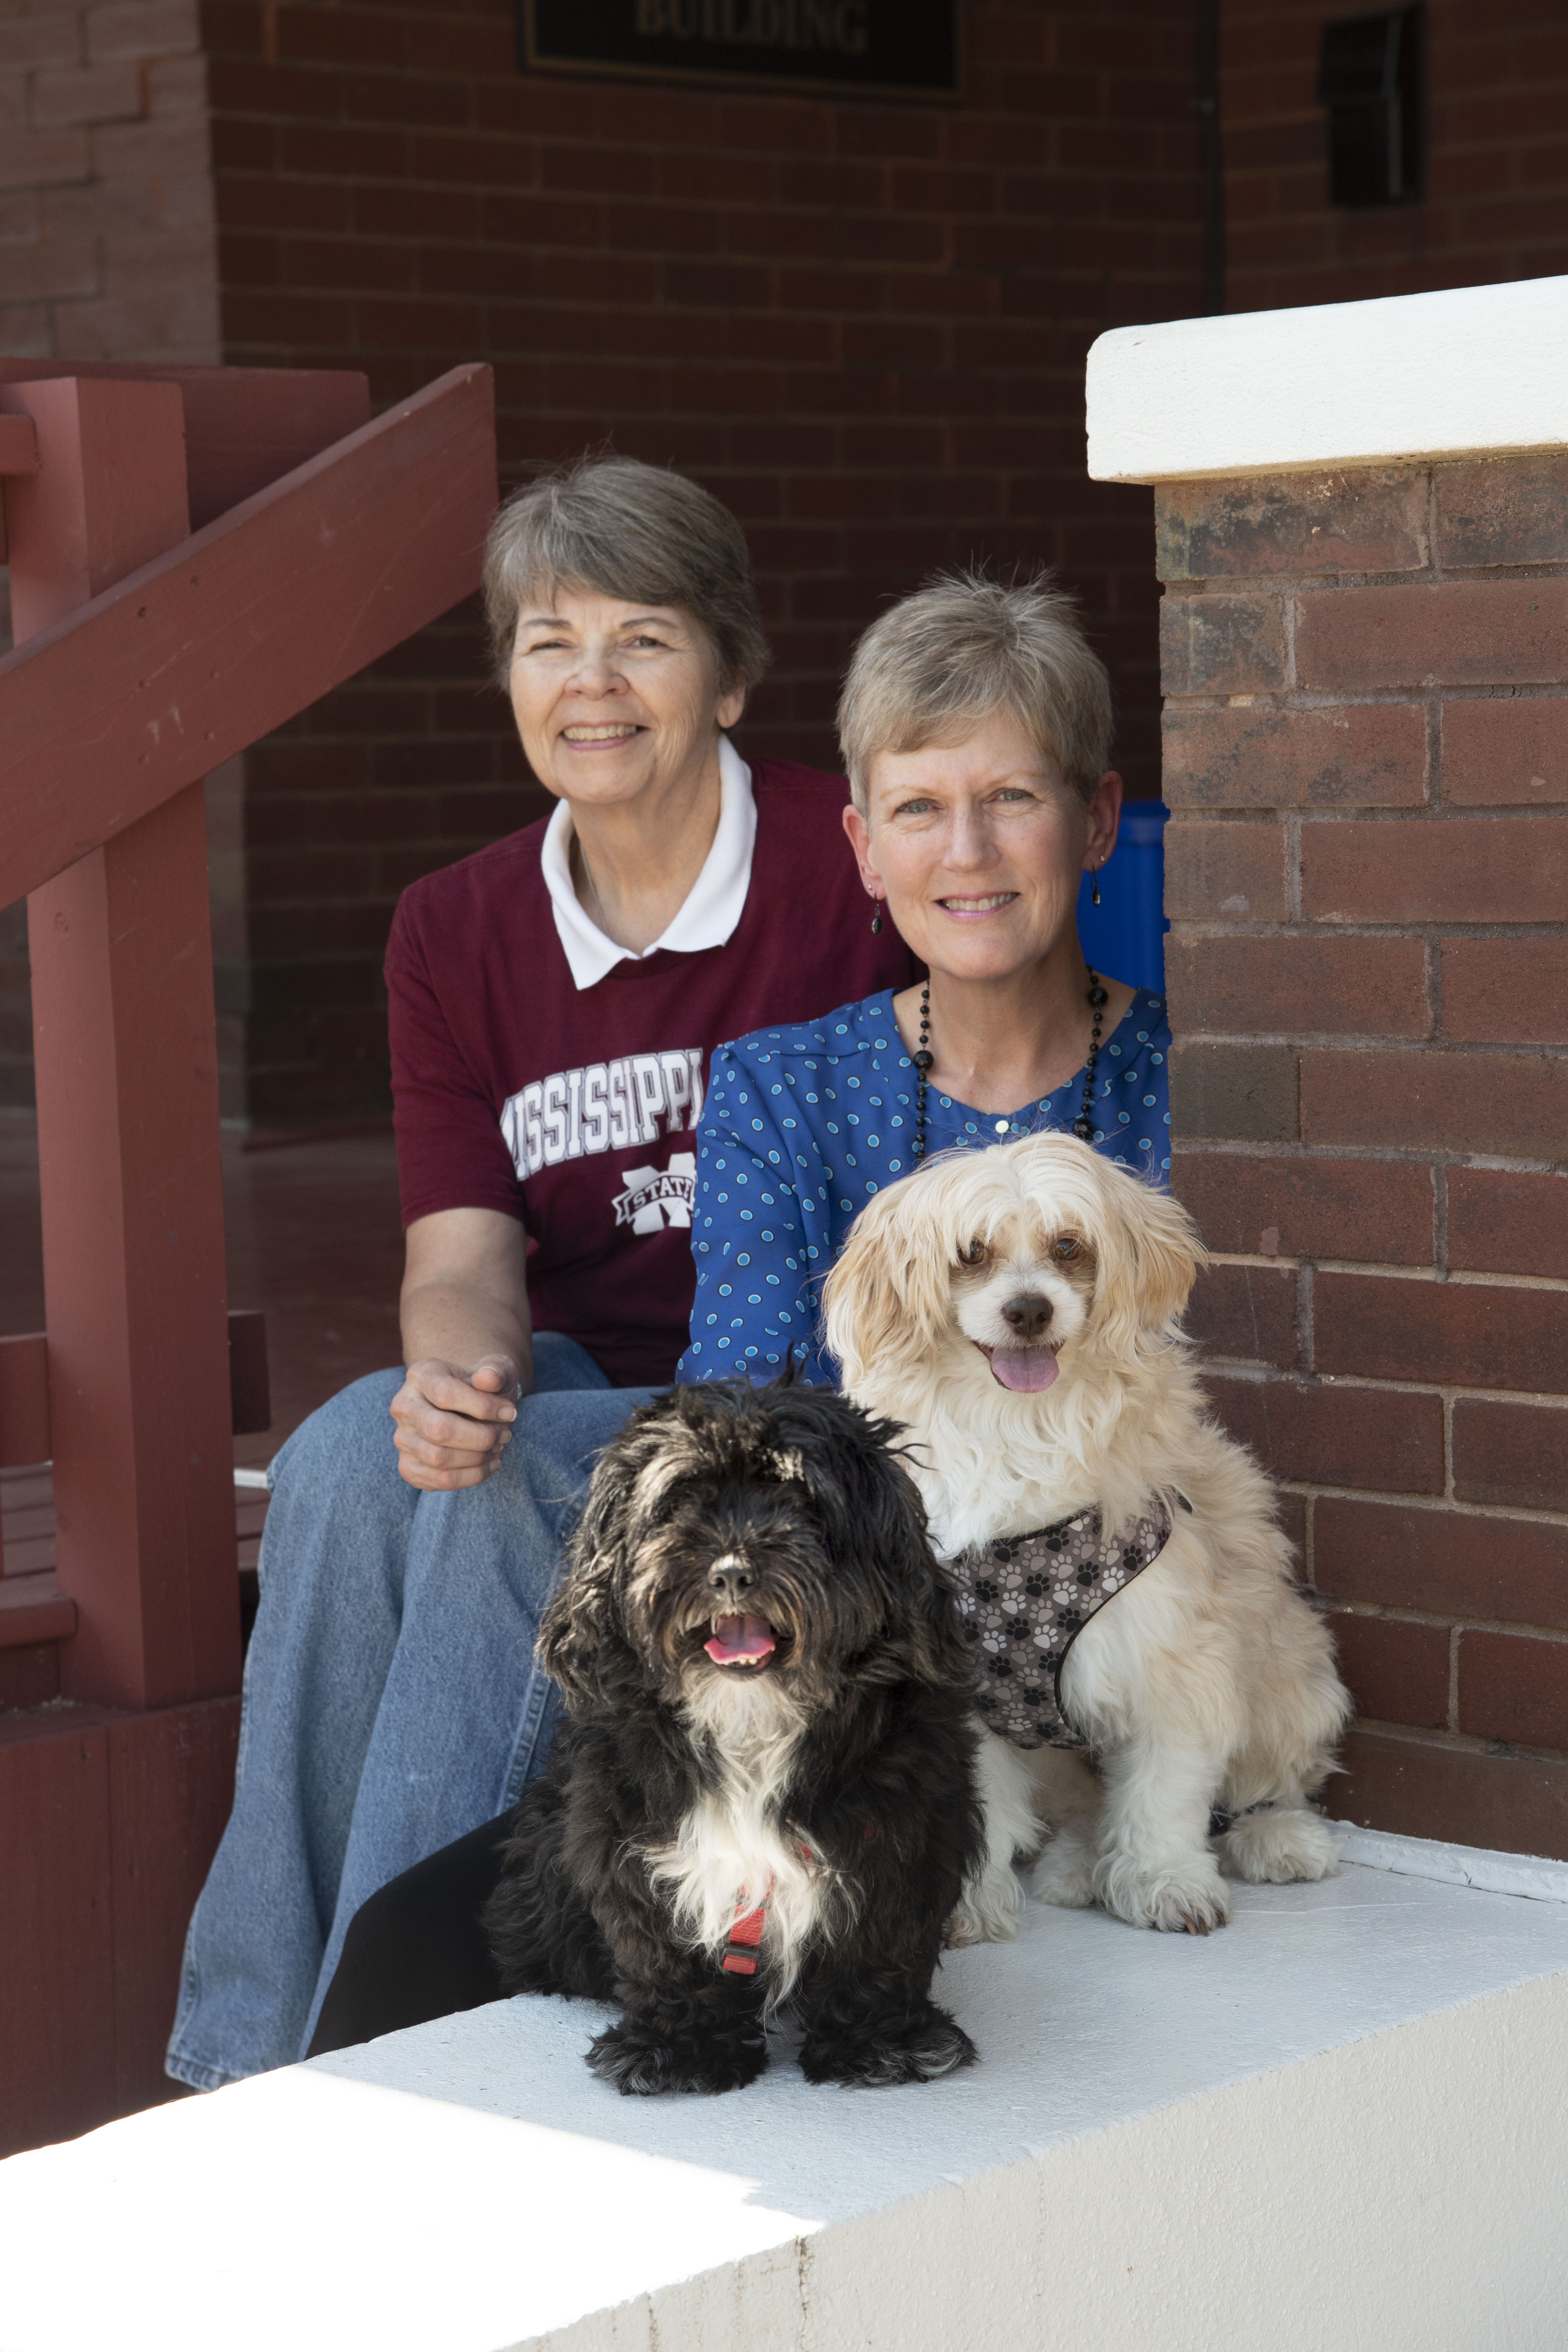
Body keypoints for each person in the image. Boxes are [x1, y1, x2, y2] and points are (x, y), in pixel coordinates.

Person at [306, 568, 1171, 2058]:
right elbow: (738, 1402)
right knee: (354, 1461)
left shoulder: (1186, 1081)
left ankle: (398, 1978)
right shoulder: (785, 1079)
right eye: (916, 810)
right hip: (857, 1607)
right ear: (861, 845)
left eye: (1010, 801)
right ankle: (375, 1979)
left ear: (1095, 821)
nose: (964, 852)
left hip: (1107, 1648)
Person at [166, 456, 914, 2089]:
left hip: (782, 1403)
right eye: (544, 640)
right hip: (577, 1366)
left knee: (515, 1493)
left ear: (727, 668)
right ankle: (234, 2059)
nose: (589, 684)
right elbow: (458, 1258)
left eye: (640, 638)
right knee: (352, 1461)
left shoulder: (839, 867)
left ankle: (391, 2042)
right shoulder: (453, 928)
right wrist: (459, 1378)